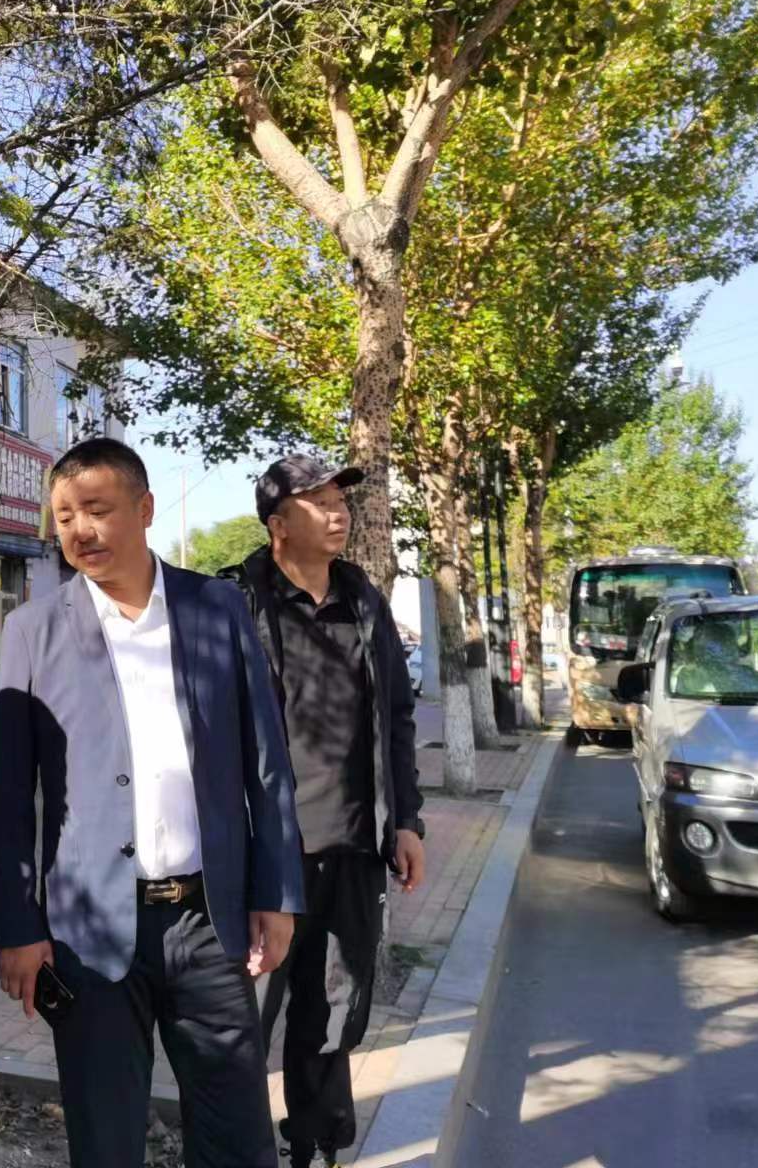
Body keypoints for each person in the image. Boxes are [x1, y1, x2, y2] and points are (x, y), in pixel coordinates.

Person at [0, 437, 304, 1168]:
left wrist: (277, 892)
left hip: (207, 919)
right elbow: (7, 799)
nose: (80, 530)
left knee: (237, 1134)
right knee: (105, 1137)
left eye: (96, 509)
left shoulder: (216, 607)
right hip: (90, 930)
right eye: (65, 516)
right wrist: (17, 926)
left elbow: (266, 763)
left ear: (146, 508)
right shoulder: (33, 630)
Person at [219, 454, 426, 1168]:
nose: (339, 512)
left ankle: (315, 1146)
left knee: (335, 1015)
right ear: (278, 524)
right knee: (244, 1024)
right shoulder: (235, 603)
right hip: (264, 860)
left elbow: (397, 716)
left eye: (341, 500)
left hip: (352, 847)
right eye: (319, 502)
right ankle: (237, 1152)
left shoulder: (364, 600)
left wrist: (406, 821)